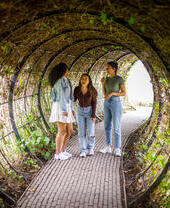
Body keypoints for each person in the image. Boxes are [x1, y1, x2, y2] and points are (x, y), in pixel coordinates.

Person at [48, 62, 75, 160]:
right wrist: (64, 110)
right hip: (60, 107)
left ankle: (63, 150)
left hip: (66, 107)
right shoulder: (59, 82)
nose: (68, 71)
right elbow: (61, 97)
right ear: (63, 70)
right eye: (67, 69)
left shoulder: (66, 80)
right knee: (62, 131)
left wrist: (71, 108)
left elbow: (69, 96)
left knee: (70, 130)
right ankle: (57, 154)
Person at [100, 61, 126, 156]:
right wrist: (103, 84)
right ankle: (108, 146)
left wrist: (113, 93)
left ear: (114, 69)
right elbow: (104, 93)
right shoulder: (106, 79)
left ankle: (117, 148)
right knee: (107, 125)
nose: (106, 70)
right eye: (106, 68)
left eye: (108, 68)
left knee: (116, 126)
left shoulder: (119, 79)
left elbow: (123, 93)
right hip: (107, 103)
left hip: (116, 103)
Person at [74, 73, 97, 157]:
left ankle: (90, 148)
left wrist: (93, 115)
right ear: (80, 80)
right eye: (82, 78)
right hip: (80, 111)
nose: (83, 80)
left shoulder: (92, 90)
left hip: (89, 111)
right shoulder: (77, 89)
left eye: (86, 79)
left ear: (89, 81)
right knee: (81, 132)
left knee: (91, 131)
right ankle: (83, 150)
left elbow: (94, 103)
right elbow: (73, 99)